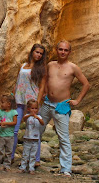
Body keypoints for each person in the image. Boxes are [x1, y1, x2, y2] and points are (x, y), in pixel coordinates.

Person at [38, 40, 90, 177]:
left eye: (65, 50)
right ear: (56, 50)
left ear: (69, 52)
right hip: (47, 104)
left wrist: (78, 100)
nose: (62, 52)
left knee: (64, 138)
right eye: (60, 49)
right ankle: (33, 161)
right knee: (36, 132)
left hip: (62, 106)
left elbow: (86, 84)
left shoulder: (73, 68)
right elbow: (45, 80)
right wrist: (44, 92)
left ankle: (66, 168)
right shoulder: (50, 65)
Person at [12, 43, 47, 165]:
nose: (38, 55)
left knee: (34, 130)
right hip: (20, 101)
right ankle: (11, 156)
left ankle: (35, 159)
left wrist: (37, 103)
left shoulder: (41, 69)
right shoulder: (22, 66)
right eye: (37, 52)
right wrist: (14, 94)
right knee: (15, 130)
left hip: (32, 102)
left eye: (41, 53)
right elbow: (17, 81)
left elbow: (42, 87)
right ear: (32, 52)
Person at [19, 99, 44, 174]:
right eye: (32, 108)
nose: (34, 110)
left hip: (35, 139)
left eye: (36, 108)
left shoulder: (39, 117)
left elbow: (42, 123)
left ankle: (31, 168)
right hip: (27, 138)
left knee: (33, 155)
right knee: (25, 154)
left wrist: (37, 118)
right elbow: (23, 119)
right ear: (29, 109)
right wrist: (30, 114)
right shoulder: (27, 116)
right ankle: (23, 167)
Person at [0, 94, 18, 170]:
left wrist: (5, 123)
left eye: (3, 102)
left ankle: (7, 164)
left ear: (9, 104)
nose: (1, 104)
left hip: (10, 135)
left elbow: (15, 122)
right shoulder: (0, 112)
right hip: (1, 134)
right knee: (0, 149)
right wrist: (0, 123)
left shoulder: (14, 112)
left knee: (9, 151)